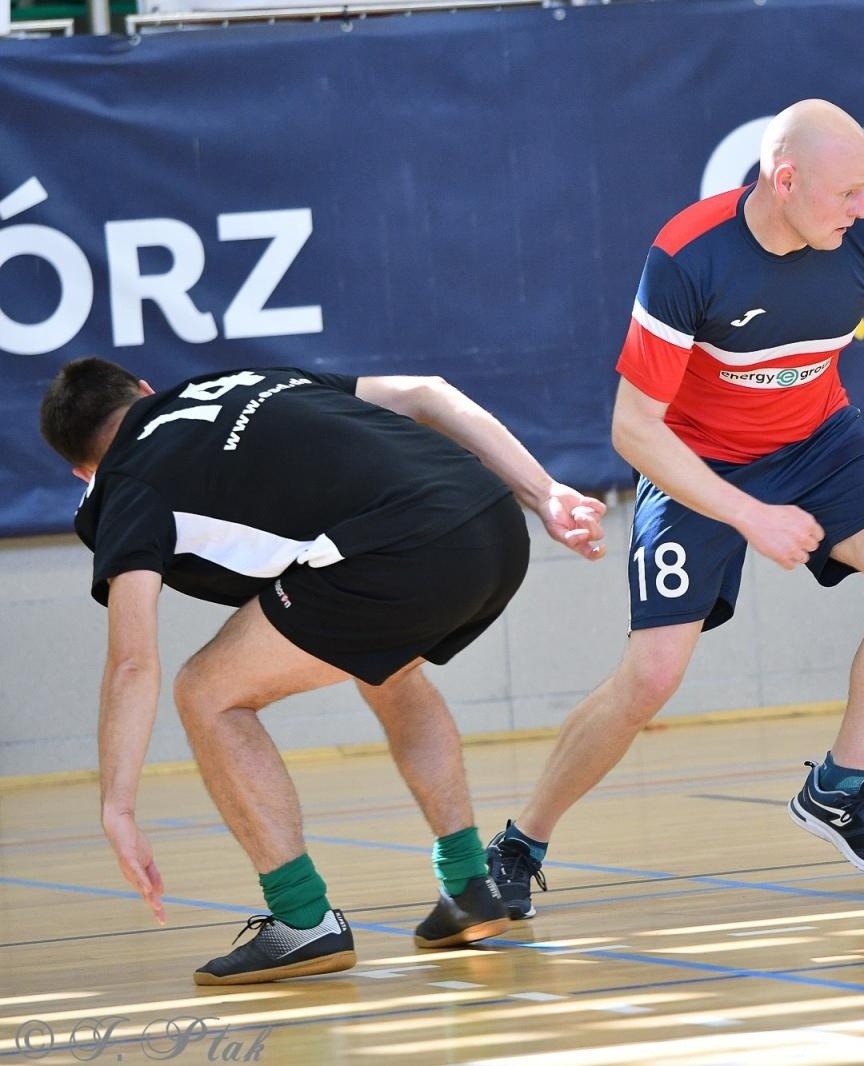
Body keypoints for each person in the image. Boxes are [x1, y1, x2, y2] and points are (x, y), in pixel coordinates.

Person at [484, 98, 864, 916]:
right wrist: (748, 514)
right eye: (849, 191)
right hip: (699, 463)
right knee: (653, 675)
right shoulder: (688, 256)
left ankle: (839, 788)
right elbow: (633, 430)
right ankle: (521, 843)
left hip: (821, 440)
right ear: (785, 181)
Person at [38, 358, 607, 985]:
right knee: (387, 671)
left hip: (402, 554)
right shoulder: (239, 379)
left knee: (205, 692)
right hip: (494, 519)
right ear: (146, 389)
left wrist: (117, 805)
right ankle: (470, 886)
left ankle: (302, 919)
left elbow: (131, 660)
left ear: (80, 470)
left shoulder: (122, 486)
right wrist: (546, 492)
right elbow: (426, 391)